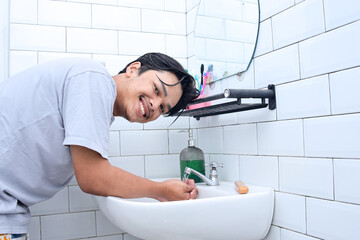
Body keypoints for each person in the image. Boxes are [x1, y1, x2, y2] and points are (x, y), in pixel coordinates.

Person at [0, 52, 200, 236]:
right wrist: (161, 190)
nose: (155, 106)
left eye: (163, 109)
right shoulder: (94, 78)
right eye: (156, 89)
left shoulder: (94, 94)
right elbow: (93, 177)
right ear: (133, 69)